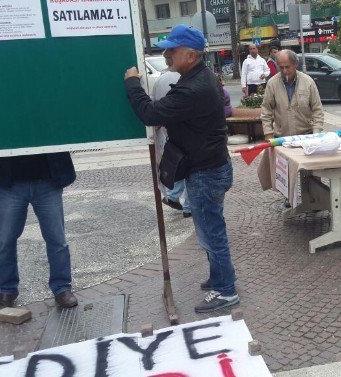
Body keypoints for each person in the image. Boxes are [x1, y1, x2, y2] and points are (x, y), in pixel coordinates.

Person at [123, 24, 238, 313]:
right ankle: (219, 277)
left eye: (172, 50)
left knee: (211, 233)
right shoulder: (203, 77)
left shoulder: (191, 88)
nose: (166, 54)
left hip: (205, 173)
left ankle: (226, 291)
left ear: (190, 55)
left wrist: (132, 84)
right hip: (211, 167)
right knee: (212, 229)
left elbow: (149, 113)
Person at [0, 152, 78, 311]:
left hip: (48, 179)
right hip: (9, 181)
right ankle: (7, 290)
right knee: (5, 240)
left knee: (57, 238)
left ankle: (62, 287)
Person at [152, 59, 192, 218]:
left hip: (167, 130)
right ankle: (188, 206)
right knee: (190, 167)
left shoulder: (160, 80)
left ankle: (173, 195)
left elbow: (153, 104)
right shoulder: (186, 78)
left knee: (177, 164)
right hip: (186, 130)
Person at [261, 49, 324, 140]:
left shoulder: (308, 82)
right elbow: (266, 110)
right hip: (281, 138)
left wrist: (316, 133)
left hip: (306, 136)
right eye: (281, 67)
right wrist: (268, 134)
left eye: (287, 67)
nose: (285, 71)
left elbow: (317, 110)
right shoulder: (272, 83)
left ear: (295, 65)